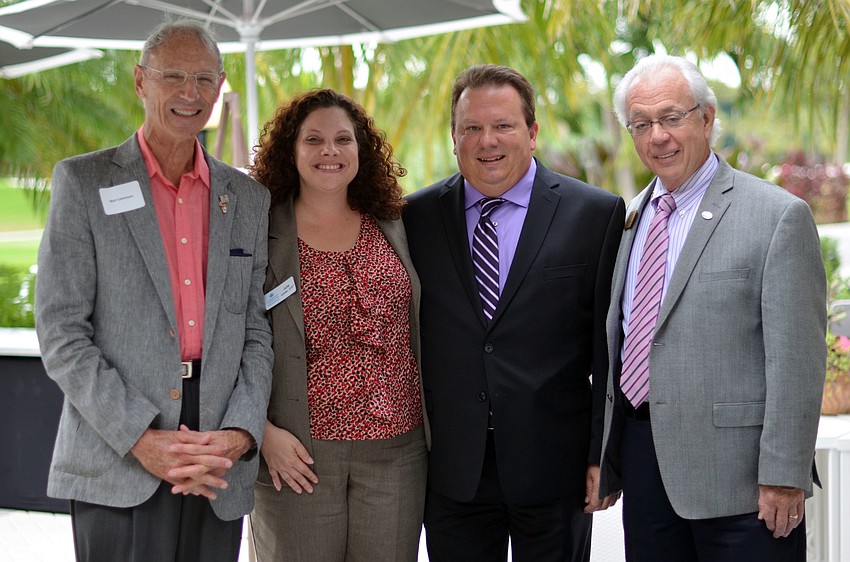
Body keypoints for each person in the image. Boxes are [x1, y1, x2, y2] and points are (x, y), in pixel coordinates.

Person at [34, 20, 273, 561]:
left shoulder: (248, 198)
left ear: (220, 84)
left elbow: (257, 329)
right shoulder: (85, 183)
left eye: (204, 79)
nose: (190, 93)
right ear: (141, 81)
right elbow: (61, 335)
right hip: (118, 449)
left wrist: (238, 434)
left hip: (217, 461)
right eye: (173, 77)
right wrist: (141, 438)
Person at [598, 54, 827, 561]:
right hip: (646, 469)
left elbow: (797, 359)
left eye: (671, 117)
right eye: (641, 124)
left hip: (745, 487)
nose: (658, 135)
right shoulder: (630, 219)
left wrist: (784, 474)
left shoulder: (777, 216)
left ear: (706, 116)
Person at [403, 64, 625, 562]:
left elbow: (608, 348)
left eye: (502, 125)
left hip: (554, 468)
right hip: (453, 471)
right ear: (454, 138)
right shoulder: (413, 218)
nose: (488, 141)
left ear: (532, 132)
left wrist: (600, 455)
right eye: (472, 128)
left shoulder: (594, 213)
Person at [248, 88, 428, 562]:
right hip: (298, 453)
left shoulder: (395, 223)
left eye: (343, 139)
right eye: (314, 139)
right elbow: (232, 337)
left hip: (397, 453)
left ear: (360, 150)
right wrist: (261, 432)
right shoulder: (259, 234)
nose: (330, 151)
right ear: (291, 150)